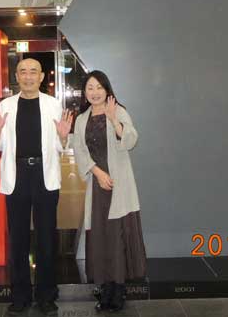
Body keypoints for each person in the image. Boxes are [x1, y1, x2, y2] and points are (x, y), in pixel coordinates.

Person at [0, 58, 73, 315]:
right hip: (17, 176)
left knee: (46, 237)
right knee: (18, 239)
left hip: (44, 176)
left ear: (41, 76)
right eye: (23, 72)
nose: (28, 76)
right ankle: (20, 295)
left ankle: (47, 295)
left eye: (33, 72)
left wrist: (63, 136)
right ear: (16, 76)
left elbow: (60, 145)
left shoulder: (53, 104)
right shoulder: (5, 106)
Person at [72, 70, 146, 312]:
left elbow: (131, 140)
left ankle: (119, 290)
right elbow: (79, 150)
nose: (94, 92)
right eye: (90, 88)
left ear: (106, 90)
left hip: (119, 184)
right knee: (100, 237)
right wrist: (97, 173)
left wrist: (114, 121)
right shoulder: (81, 119)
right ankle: (104, 289)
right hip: (98, 184)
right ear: (85, 92)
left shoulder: (118, 110)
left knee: (116, 237)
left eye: (99, 87)